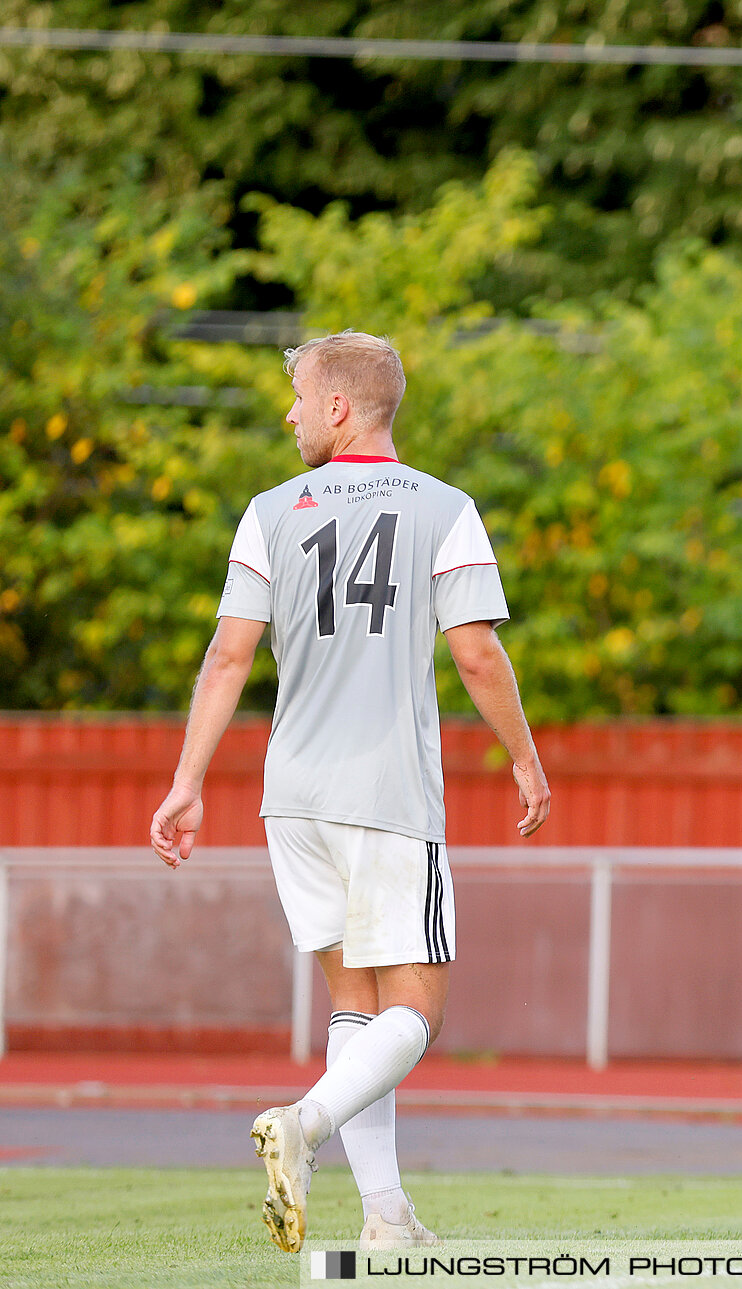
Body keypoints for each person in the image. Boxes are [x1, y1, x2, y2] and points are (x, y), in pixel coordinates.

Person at [149, 331, 551, 1253]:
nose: (288, 412)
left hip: (290, 793)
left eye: (297, 395)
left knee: (357, 1006)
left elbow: (229, 654)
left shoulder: (267, 511)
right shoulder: (447, 509)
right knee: (419, 1008)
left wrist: (186, 782)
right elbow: (478, 651)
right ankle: (305, 1122)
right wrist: (525, 759)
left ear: (341, 407)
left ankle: (388, 1220)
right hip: (388, 791)